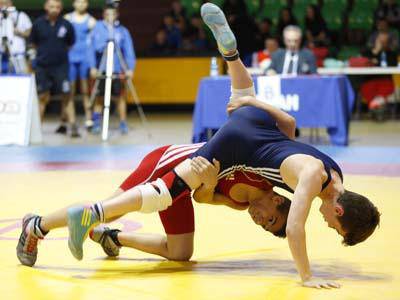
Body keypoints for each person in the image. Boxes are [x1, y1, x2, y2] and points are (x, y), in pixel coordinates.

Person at [17, 3, 380, 290]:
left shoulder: (332, 171)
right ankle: (73, 217)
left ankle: (232, 55)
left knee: (181, 246)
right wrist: (306, 276)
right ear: (342, 212)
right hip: (229, 147)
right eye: (335, 227)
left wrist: (254, 107)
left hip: (255, 132)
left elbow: (287, 127)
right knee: (160, 193)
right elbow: (296, 228)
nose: (327, 225)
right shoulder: (314, 180)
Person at [29, 0, 77, 136]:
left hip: (61, 67)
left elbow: (70, 44)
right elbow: (33, 44)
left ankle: (72, 126)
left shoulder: (66, 25)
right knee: (43, 96)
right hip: (42, 67)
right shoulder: (38, 24)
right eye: (51, 6)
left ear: (61, 8)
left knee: (67, 95)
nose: (54, 9)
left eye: (57, 7)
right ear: (45, 7)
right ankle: (36, 130)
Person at [89, 5, 135, 135]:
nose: (110, 16)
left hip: (117, 68)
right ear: (103, 14)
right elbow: (91, 49)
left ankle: (123, 123)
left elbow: (129, 51)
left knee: (120, 96)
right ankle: (97, 122)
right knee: (99, 97)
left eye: (113, 14)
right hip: (101, 68)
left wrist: (129, 68)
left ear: (117, 15)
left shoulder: (122, 30)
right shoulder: (97, 28)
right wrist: (92, 66)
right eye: (108, 14)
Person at [65, 0, 96, 132]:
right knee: (69, 91)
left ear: (87, 4)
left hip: (85, 59)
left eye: (84, 2)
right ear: (74, 4)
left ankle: (89, 119)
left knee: (85, 91)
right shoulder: (67, 18)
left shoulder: (91, 21)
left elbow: (94, 41)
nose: (81, 5)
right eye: (78, 2)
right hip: (70, 58)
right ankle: (70, 121)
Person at [361, 31, 398, 116]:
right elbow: (365, 62)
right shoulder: (367, 52)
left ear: (388, 42)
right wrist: (376, 52)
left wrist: (375, 62)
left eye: (384, 41)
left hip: (385, 81)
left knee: (386, 89)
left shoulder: (391, 53)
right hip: (370, 81)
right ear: (376, 41)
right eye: (380, 40)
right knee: (367, 89)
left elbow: (393, 64)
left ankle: (375, 107)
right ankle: (378, 106)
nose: (382, 43)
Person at [0, 0, 32, 74]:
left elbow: (29, 33)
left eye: (5, 3)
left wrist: (18, 32)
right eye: (1, 3)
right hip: (1, 52)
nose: (3, 5)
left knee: (22, 74)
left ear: (11, 3)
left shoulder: (21, 15)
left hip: (17, 52)